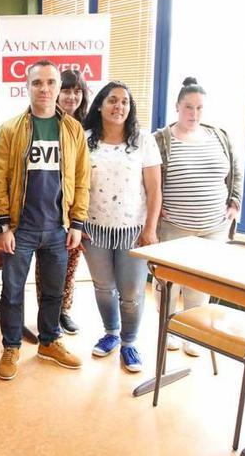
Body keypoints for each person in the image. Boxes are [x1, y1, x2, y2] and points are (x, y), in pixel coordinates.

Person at [0, 60, 90, 381]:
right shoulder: (11, 129)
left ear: (58, 87)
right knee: (13, 291)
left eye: (50, 83)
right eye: (37, 83)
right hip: (21, 229)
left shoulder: (73, 131)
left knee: (53, 292)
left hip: (57, 230)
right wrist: (3, 224)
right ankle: (12, 346)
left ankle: (48, 341)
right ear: (28, 86)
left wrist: (77, 223)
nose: (44, 89)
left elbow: (82, 179)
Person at [153, 77, 243, 357]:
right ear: (177, 107)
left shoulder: (219, 136)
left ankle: (192, 332)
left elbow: (235, 172)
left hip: (213, 228)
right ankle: (168, 328)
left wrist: (235, 202)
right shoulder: (162, 138)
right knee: (169, 283)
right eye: (188, 107)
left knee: (199, 285)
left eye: (199, 108)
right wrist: (155, 207)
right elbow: (149, 178)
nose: (194, 113)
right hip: (174, 227)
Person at [80, 81, 161, 373]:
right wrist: (76, 223)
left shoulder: (143, 141)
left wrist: (150, 229)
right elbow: (73, 186)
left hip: (133, 230)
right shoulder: (84, 138)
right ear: (100, 105)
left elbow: (154, 189)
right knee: (103, 288)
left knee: (132, 292)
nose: (119, 106)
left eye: (125, 101)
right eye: (112, 100)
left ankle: (129, 343)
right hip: (93, 229)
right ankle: (111, 333)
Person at [34, 69, 90, 334]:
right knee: (45, 269)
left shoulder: (87, 127)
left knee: (69, 267)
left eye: (77, 91)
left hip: (76, 212)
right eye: (66, 90)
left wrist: (79, 217)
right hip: (44, 213)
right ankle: (46, 315)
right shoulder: (39, 123)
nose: (71, 96)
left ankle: (62, 311)